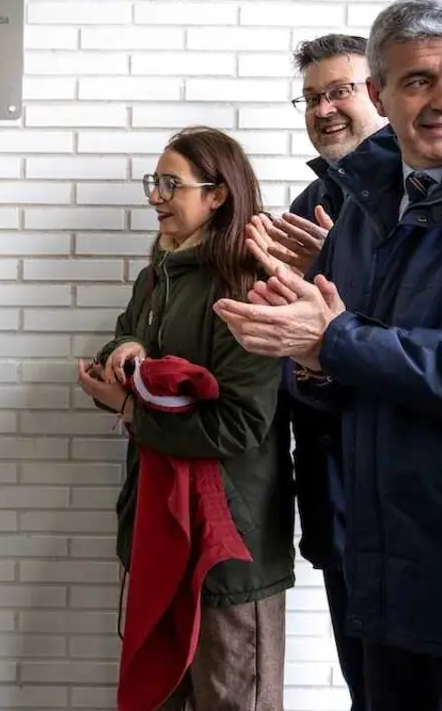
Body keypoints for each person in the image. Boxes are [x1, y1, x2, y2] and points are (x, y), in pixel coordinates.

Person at [215, 0, 442, 707]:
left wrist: (335, 341)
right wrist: (311, 361)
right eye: (417, 81)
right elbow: (332, 368)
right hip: (378, 559)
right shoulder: (363, 200)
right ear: (385, 92)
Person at [78, 127, 293, 710]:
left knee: (231, 699)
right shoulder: (159, 275)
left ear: (218, 194)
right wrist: (124, 350)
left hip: (227, 548)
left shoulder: (248, 287)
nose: (156, 196)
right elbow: (126, 336)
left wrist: (127, 408)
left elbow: (241, 426)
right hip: (159, 530)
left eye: (171, 184)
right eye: (155, 182)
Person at [259, 33, 387, 711]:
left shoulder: (421, 197)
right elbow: (302, 342)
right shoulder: (316, 197)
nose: (325, 108)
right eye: (312, 97)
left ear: (384, 92)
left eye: (341, 90)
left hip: (408, 498)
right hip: (337, 491)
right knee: (362, 680)